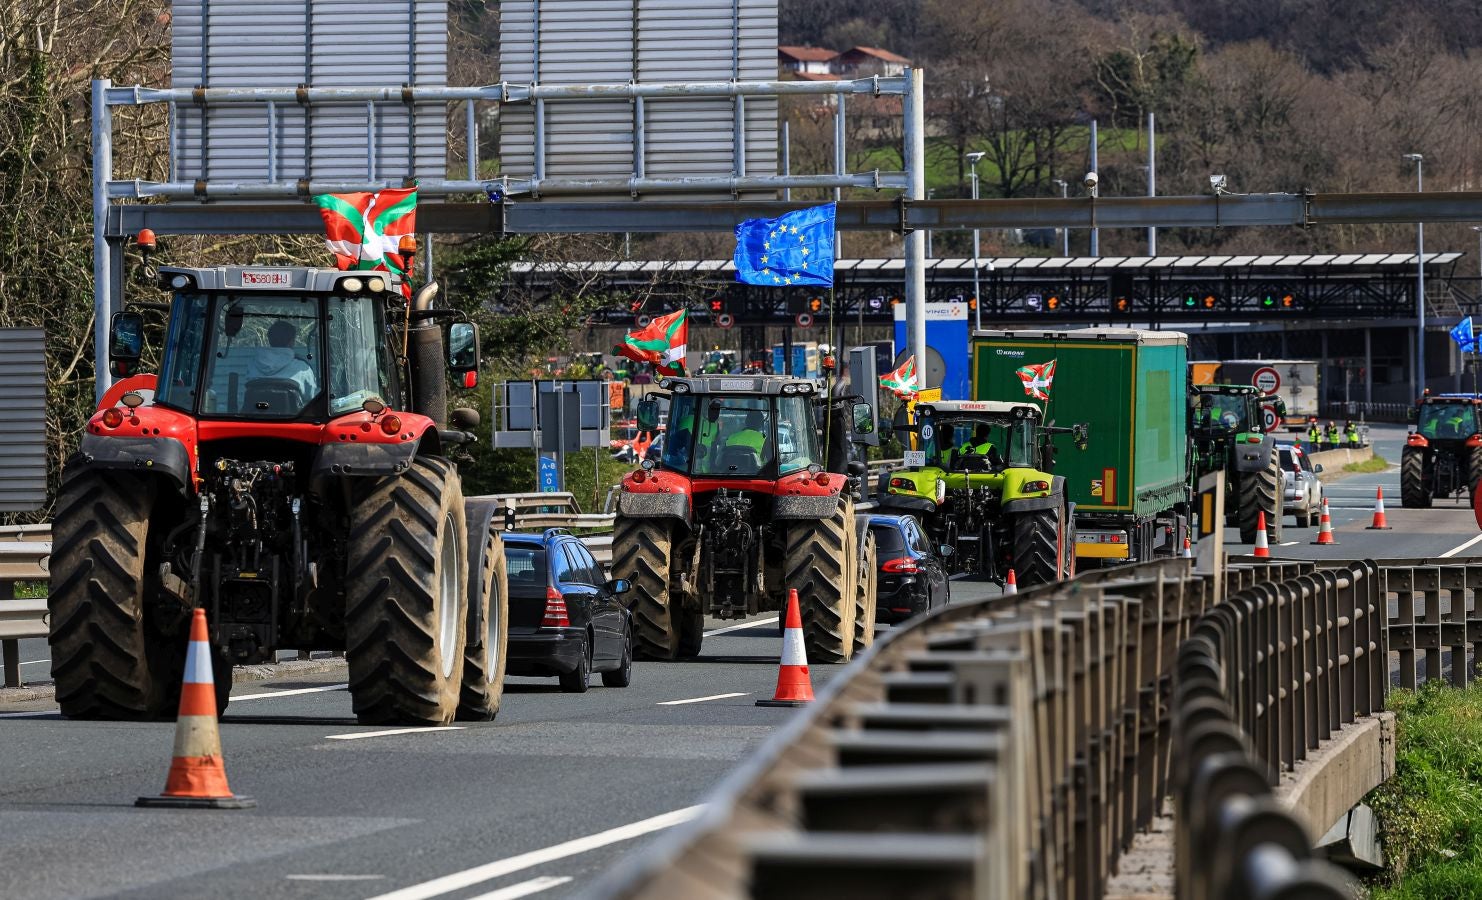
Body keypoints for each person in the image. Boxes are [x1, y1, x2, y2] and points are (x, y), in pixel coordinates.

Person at [248, 320, 316, 402]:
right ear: (291, 342)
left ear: (270, 340)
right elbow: (311, 398)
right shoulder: (302, 368)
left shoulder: (253, 364)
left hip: (256, 414)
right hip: (295, 415)